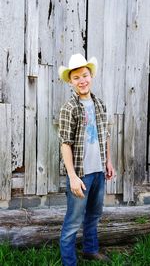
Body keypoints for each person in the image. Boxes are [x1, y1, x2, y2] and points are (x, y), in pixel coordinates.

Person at [58, 53, 115, 266]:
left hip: (98, 171)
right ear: (71, 81)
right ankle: (69, 262)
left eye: (85, 75)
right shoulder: (69, 108)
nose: (82, 81)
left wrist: (108, 162)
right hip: (81, 175)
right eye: (76, 78)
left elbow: (105, 136)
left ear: (91, 76)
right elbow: (65, 144)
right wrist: (72, 176)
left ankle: (90, 250)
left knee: (93, 215)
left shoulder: (99, 104)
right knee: (73, 222)